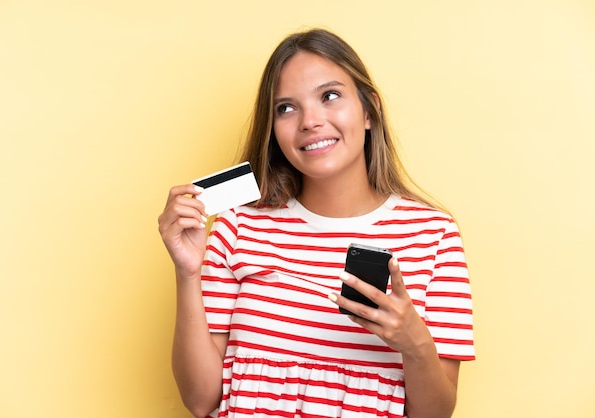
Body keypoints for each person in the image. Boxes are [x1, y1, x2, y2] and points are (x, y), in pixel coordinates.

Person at [158, 28, 474, 418]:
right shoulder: (237, 227)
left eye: (330, 96)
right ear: (273, 130)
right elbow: (200, 400)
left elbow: (435, 414)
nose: (309, 121)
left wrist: (416, 343)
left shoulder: (434, 235)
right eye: (286, 108)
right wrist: (187, 273)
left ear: (369, 111)